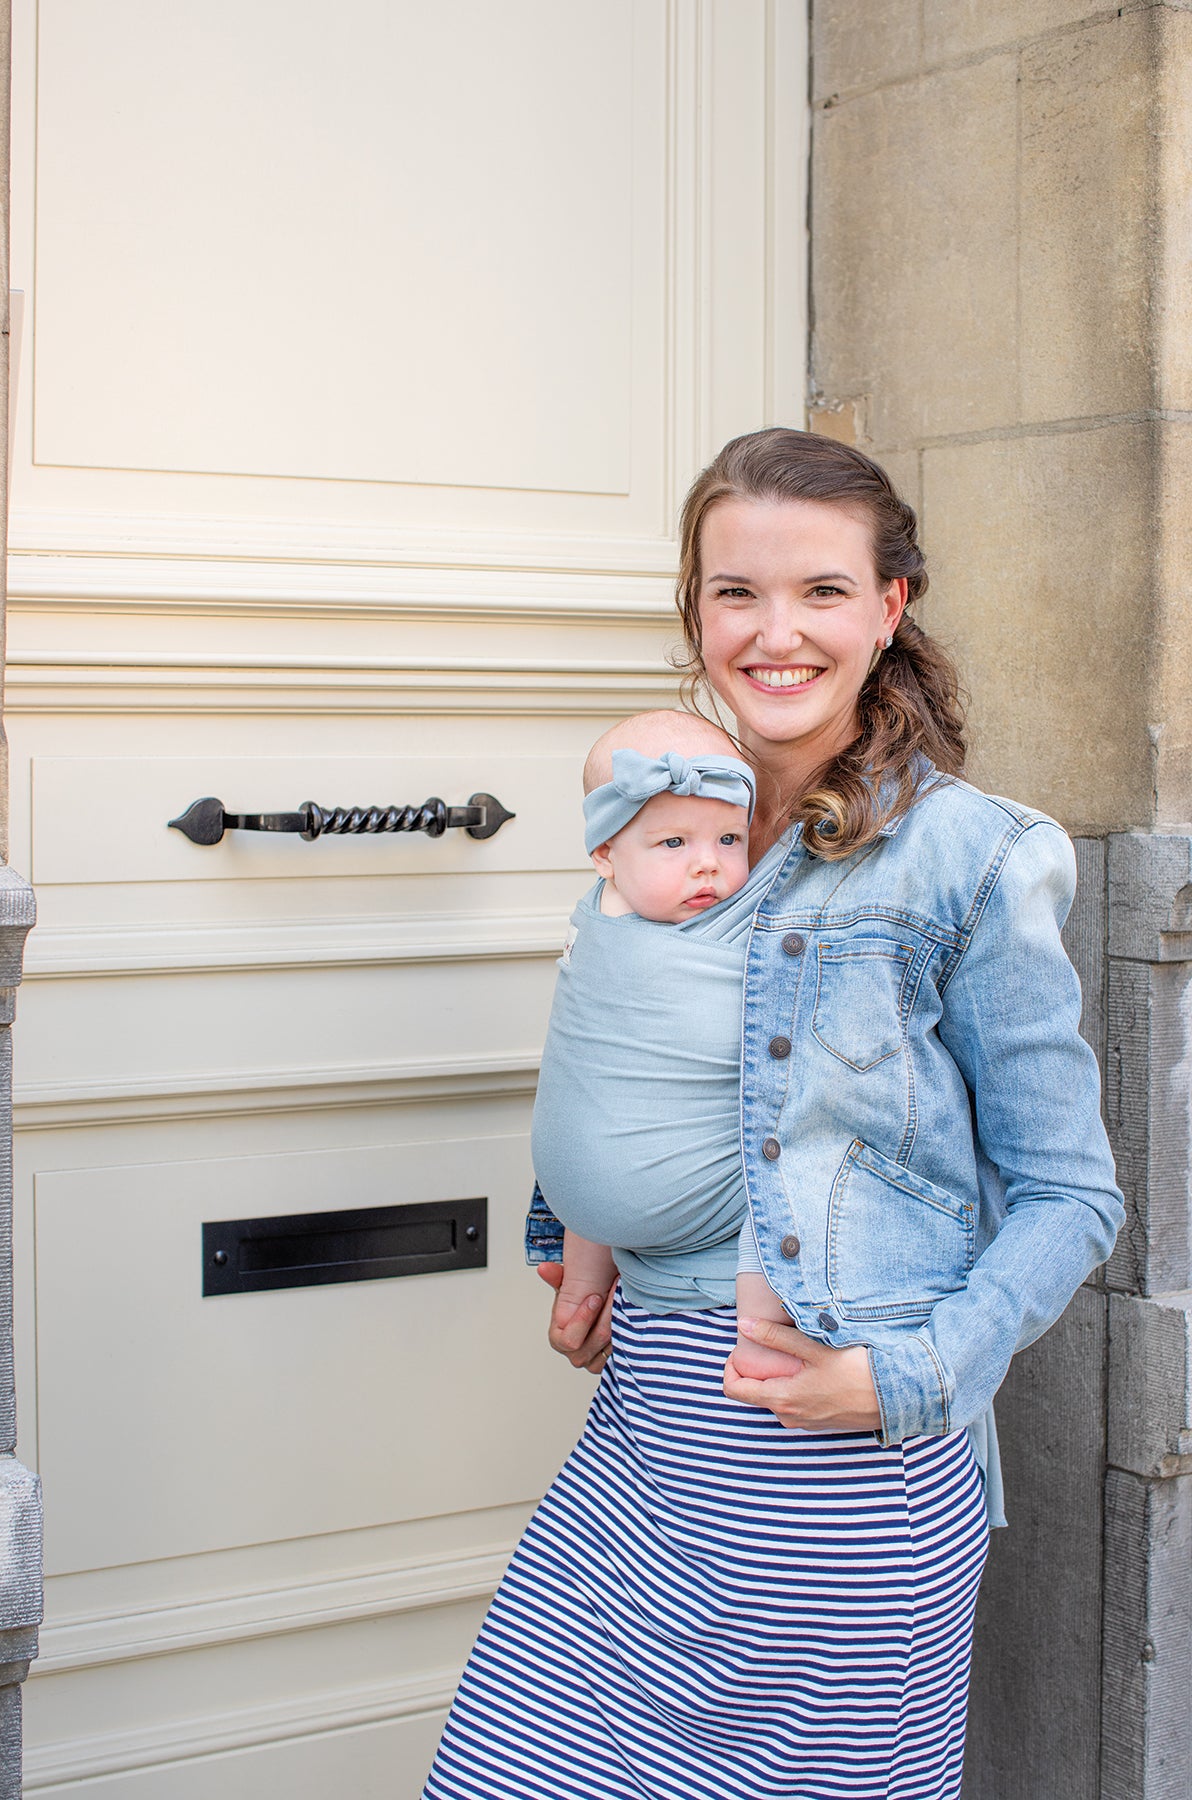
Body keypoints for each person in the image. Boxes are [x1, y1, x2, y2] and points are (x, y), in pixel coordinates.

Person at [421, 427, 1124, 1800]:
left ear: (888, 608)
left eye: (819, 590)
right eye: (736, 592)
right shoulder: (658, 820)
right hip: (646, 1453)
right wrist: (574, 1238)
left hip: (848, 1481)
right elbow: (612, 1056)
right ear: (695, 611)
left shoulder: (972, 858)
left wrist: (908, 1378)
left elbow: (1072, 1194)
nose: (774, 632)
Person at [531, 706, 806, 1385]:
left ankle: (765, 1338)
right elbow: (589, 1067)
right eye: (673, 844)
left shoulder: (736, 920)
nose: (707, 867)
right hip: (612, 1247)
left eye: (729, 840)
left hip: (726, 1253)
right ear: (604, 856)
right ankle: (581, 1287)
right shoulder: (600, 919)